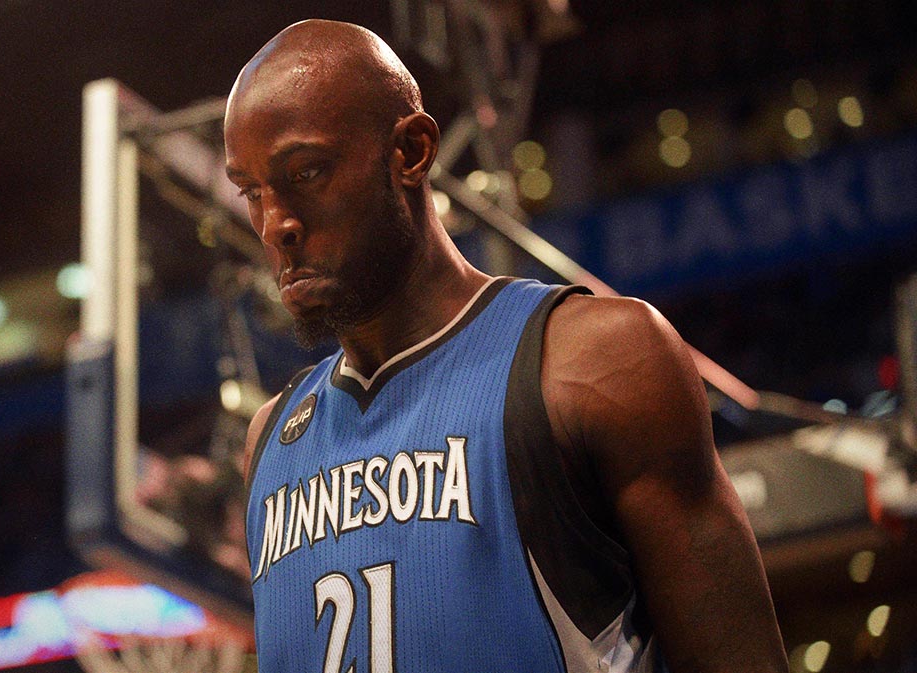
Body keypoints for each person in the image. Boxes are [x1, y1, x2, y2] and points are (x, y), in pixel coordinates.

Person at [224, 19, 788, 673]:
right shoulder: (268, 441)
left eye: (306, 172)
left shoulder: (596, 361)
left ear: (410, 151)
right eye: (252, 192)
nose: (276, 223)